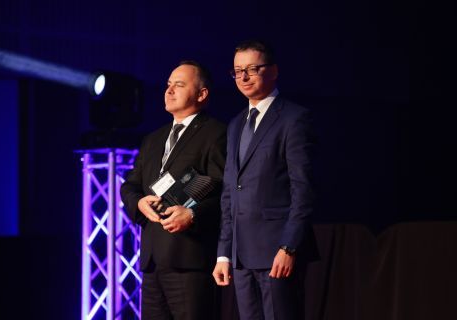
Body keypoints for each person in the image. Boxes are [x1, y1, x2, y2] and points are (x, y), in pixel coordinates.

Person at [212, 40, 319, 320]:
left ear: (273, 71)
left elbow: (303, 189)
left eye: (252, 69)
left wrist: (289, 246)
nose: (244, 77)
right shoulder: (236, 124)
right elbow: (229, 193)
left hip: (277, 253)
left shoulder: (294, 118)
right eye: (237, 71)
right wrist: (224, 253)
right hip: (241, 256)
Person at [121, 60, 226, 320]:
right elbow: (131, 185)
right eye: (168, 85)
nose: (169, 90)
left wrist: (192, 214)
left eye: (179, 85)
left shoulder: (216, 133)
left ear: (202, 94)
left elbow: (225, 190)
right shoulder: (153, 138)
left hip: (190, 259)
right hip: (153, 260)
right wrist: (139, 203)